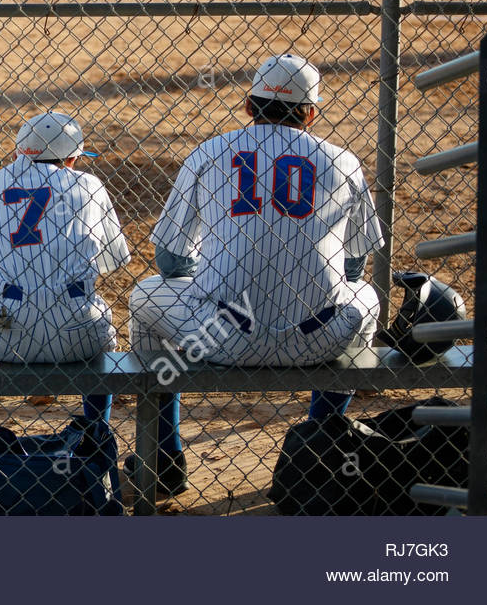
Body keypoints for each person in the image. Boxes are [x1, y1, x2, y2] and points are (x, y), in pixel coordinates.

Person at [128, 54, 384, 497]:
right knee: (366, 298)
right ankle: (317, 447)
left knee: (145, 296)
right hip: (318, 338)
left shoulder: (209, 152)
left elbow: (169, 262)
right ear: (310, 113)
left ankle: (164, 457)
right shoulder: (342, 161)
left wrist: (210, 282)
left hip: (216, 336)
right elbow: (354, 265)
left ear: (249, 105)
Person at [0, 112, 128, 429]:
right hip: (78, 333)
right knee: (103, 317)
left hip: (5, 334)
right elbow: (114, 262)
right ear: (72, 158)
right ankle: (96, 435)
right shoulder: (89, 185)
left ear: (18, 152)